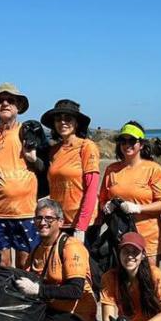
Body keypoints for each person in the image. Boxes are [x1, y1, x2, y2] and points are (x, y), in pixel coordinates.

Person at [16, 198, 98, 321]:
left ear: (60, 222)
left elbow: (75, 290)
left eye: (48, 219)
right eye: (38, 218)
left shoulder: (71, 247)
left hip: (76, 311)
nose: (42, 223)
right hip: (50, 307)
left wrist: (38, 290)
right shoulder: (38, 248)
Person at [0, 83, 40, 269]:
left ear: (18, 106)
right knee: (2, 265)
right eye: (0, 100)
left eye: (10, 100)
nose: (5, 103)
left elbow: (47, 166)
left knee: (26, 264)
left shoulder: (29, 132)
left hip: (27, 211)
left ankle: (24, 299)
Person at [98, 121, 161, 260]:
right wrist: (106, 206)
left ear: (141, 144)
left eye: (132, 140)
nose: (127, 144)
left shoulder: (153, 169)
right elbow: (102, 200)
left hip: (148, 238)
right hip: (120, 236)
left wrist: (138, 208)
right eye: (123, 141)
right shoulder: (112, 169)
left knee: (150, 279)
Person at [42, 99, 101, 240]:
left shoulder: (86, 146)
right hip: (59, 221)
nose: (62, 122)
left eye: (68, 118)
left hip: (83, 224)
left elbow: (92, 189)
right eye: (58, 119)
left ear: (76, 122)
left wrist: (81, 226)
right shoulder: (53, 151)